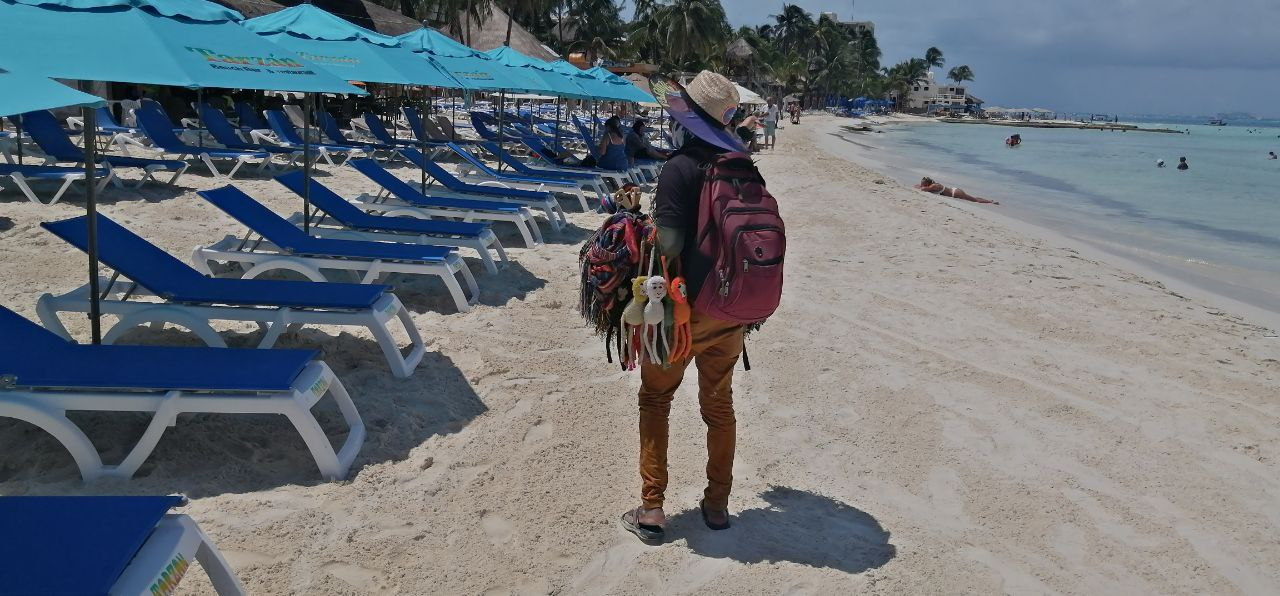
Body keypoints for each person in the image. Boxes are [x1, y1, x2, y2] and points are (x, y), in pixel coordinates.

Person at [619, 70, 749, 545]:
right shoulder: (742, 163)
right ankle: (716, 506)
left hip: (680, 310)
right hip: (730, 308)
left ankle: (652, 509)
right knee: (719, 407)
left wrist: (642, 222)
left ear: (688, 118)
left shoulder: (680, 166)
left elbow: (670, 239)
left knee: (656, 400)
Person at [915, 176, 999, 204]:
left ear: (926, 184)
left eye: (922, 183)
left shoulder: (933, 186)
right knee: (973, 198)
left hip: (956, 193)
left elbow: (922, 190)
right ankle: (989, 201)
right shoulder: (933, 185)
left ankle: (991, 202)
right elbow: (921, 187)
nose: (921, 184)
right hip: (955, 191)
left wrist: (919, 187)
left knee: (975, 200)